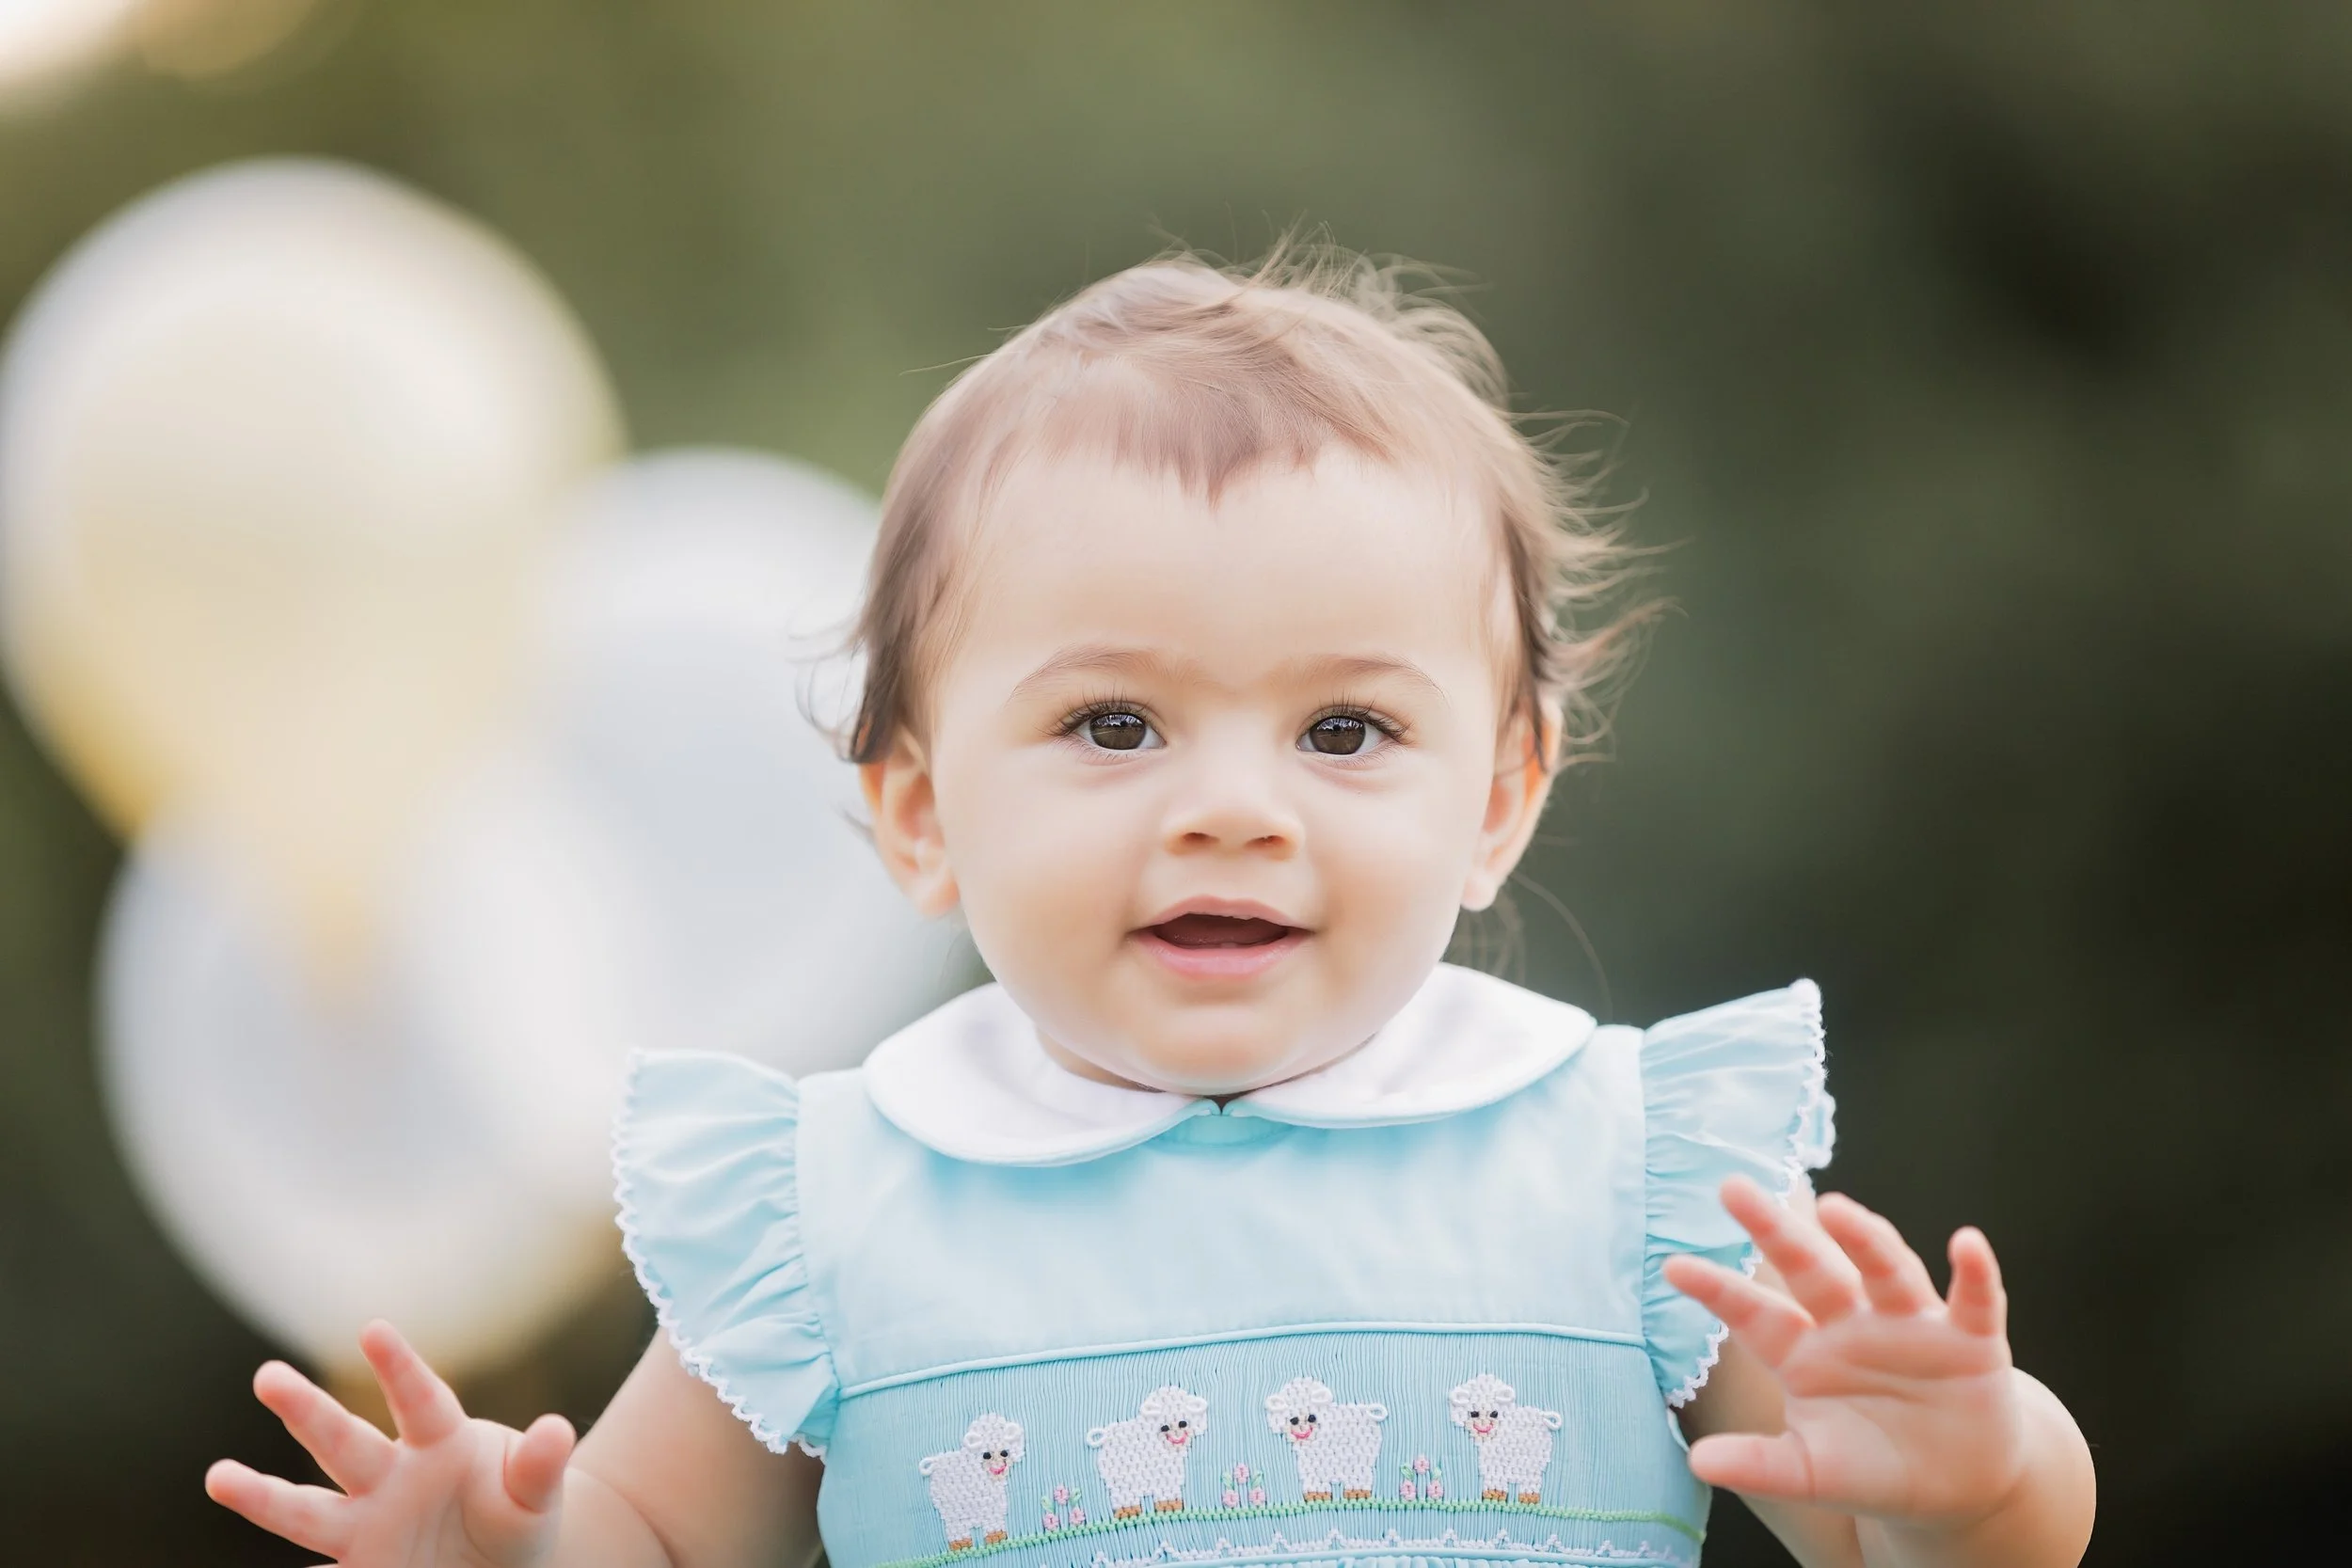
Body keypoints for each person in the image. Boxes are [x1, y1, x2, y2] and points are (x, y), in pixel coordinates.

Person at [205, 247, 2095, 1568]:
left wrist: (1969, 1464)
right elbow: (646, 1531)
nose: (1228, 811)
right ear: (921, 811)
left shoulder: (1628, 1170)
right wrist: (511, 1539)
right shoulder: (836, 1201)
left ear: (1499, 797)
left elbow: (1906, 1532)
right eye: (1113, 722)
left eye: (1343, 726)